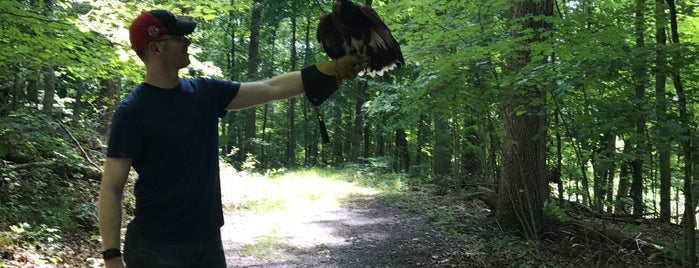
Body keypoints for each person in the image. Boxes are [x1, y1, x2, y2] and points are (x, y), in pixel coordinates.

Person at [98, 10, 367, 268]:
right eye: (179, 39)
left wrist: (330, 69)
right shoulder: (133, 111)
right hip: (155, 249)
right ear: (156, 49)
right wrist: (112, 257)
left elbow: (271, 88)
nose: (187, 42)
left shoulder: (204, 92)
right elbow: (111, 188)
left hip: (208, 241)